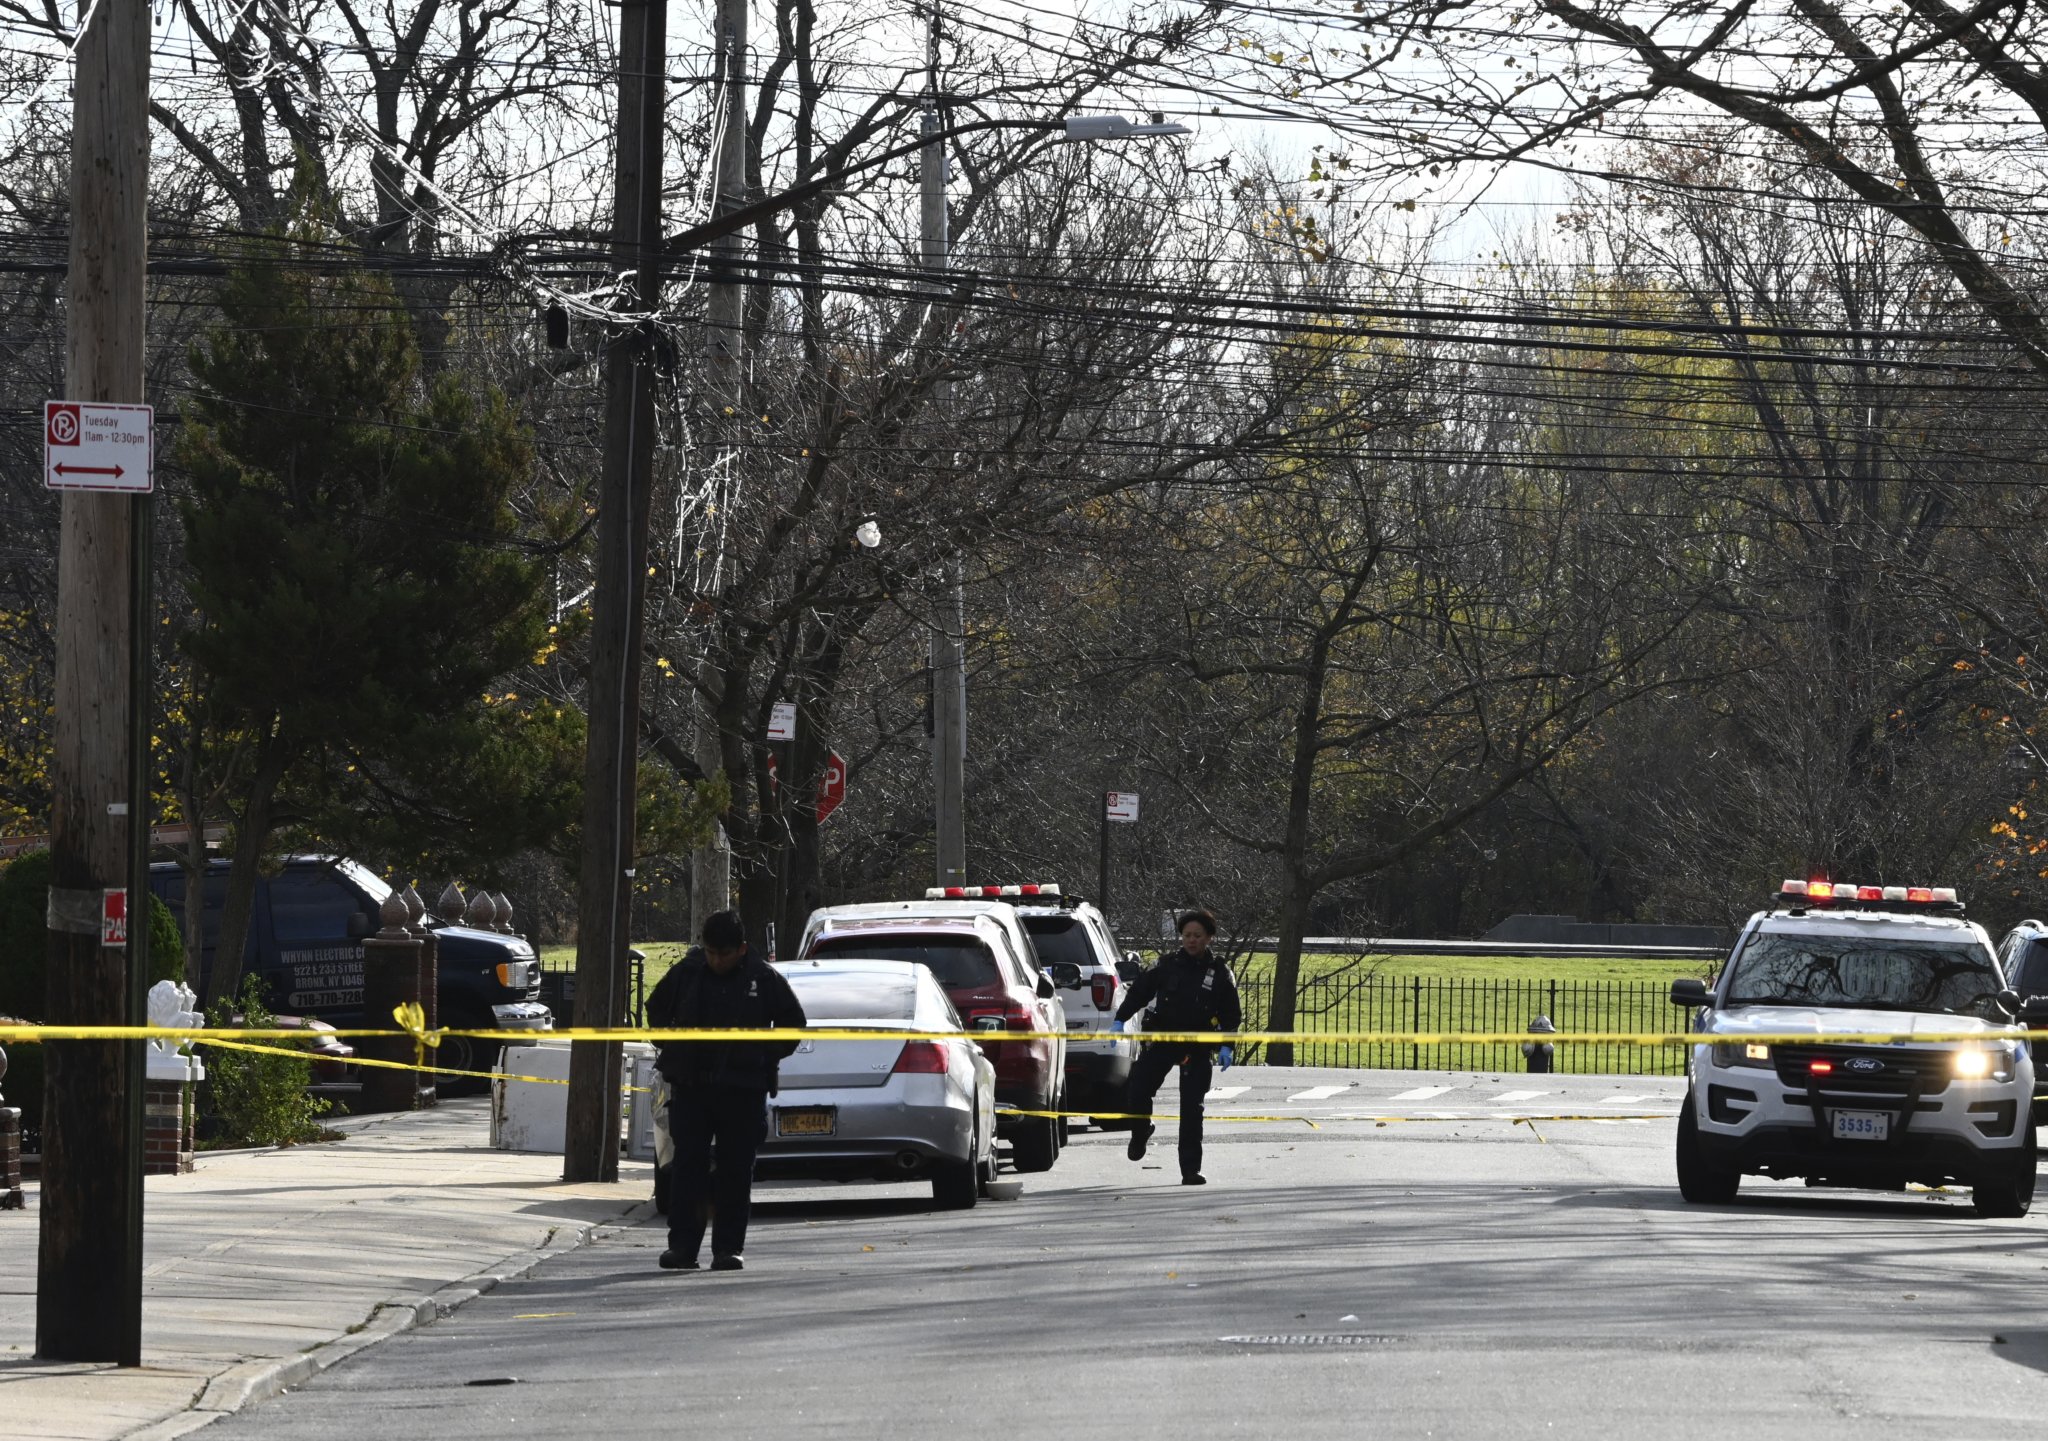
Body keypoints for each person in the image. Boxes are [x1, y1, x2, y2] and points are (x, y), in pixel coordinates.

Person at [648, 910, 806, 1272]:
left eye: (724, 953)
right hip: (692, 1087)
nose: (716, 960)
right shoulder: (687, 973)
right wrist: (673, 1045)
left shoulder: (762, 978)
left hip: (742, 1089)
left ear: (742, 949)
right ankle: (683, 1250)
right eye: (711, 952)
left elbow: (792, 1024)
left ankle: (728, 1249)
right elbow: (655, 1010)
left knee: (735, 1171)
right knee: (688, 1168)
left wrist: (760, 1054)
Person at [1116, 908, 1242, 1185]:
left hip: (1197, 1048)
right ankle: (1140, 1131)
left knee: (1192, 1109)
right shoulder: (1166, 965)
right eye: (1186, 935)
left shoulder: (1220, 973)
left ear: (1209, 937)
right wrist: (1120, 1019)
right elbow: (1140, 992)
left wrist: (1227, 1046)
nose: (1191, 940)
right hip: (1163, 1041)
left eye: (1197, 935)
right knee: (1137, 1088)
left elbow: (1231, 1014)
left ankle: (1190, 1170)